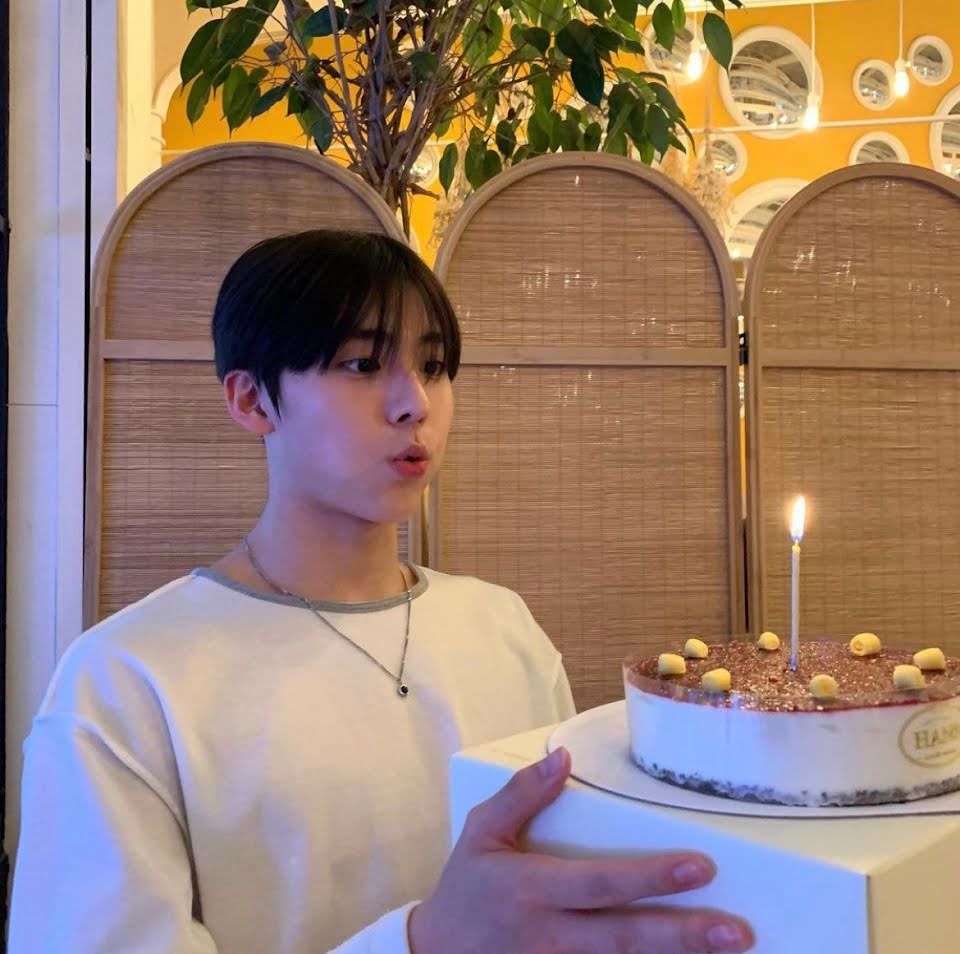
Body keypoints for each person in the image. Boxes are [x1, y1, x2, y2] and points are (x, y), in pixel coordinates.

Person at [8, 230, 754, 954]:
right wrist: (425, 940)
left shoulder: (500, 627)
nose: (415, 403)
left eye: (433, 366)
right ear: (252, 401)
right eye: (362, 364)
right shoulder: (125, 681)